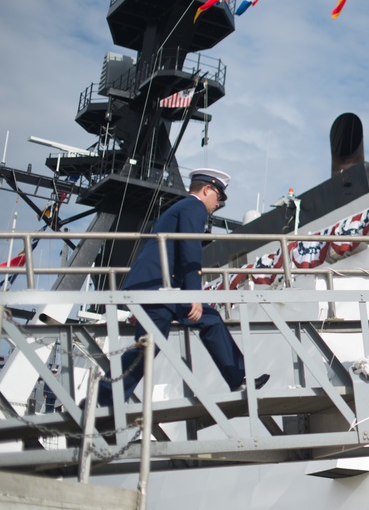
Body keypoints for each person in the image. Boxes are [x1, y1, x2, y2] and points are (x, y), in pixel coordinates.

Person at [97, 168, 268, 406]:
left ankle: (239, 378)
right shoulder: (193, 207)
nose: (218, 204)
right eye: (218, 197)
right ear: (207, 189)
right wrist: (193, 296)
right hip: (158, 290)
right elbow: (190, 249)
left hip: (158, 288)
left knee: (208, 321)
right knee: (150, 346)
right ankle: (105, 398)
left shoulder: (180, 209)